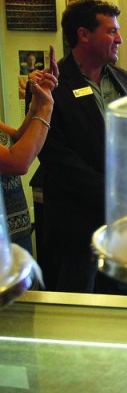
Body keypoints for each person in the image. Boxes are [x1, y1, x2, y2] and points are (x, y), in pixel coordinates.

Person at [32, 0, 127, 294]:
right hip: (76, 228)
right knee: (78, 318)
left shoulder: (126, 81)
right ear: (83, 35)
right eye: (111, 31)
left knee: (122, 310)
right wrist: (114, 192)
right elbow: (55, 156)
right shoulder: (50, 85)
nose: (119, 38)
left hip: (124, 224)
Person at [1, 48, 59, 253]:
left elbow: (17, 138)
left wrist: (36, 101)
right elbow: (17, 162)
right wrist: (46, 107)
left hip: (13, 234)